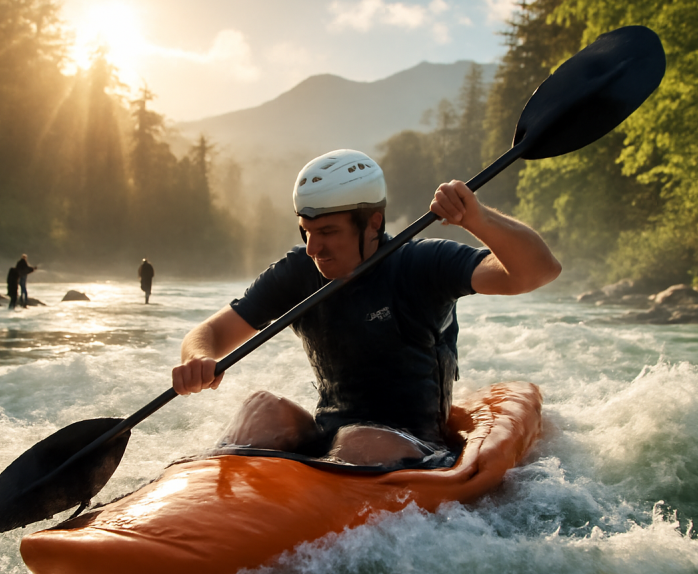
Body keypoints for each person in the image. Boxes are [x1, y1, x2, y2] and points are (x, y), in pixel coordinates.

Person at [171, 149, 561, 468]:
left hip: (413, 444)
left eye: (328, 232)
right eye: (306, 231)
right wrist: (198, 357)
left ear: (373, 222)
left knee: (361, 441)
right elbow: (211, 333)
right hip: (332, 440)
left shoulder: (421, 265)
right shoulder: (297, 271)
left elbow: (537, 271)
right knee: (262, 410)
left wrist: (477, 218)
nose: (313, 248)